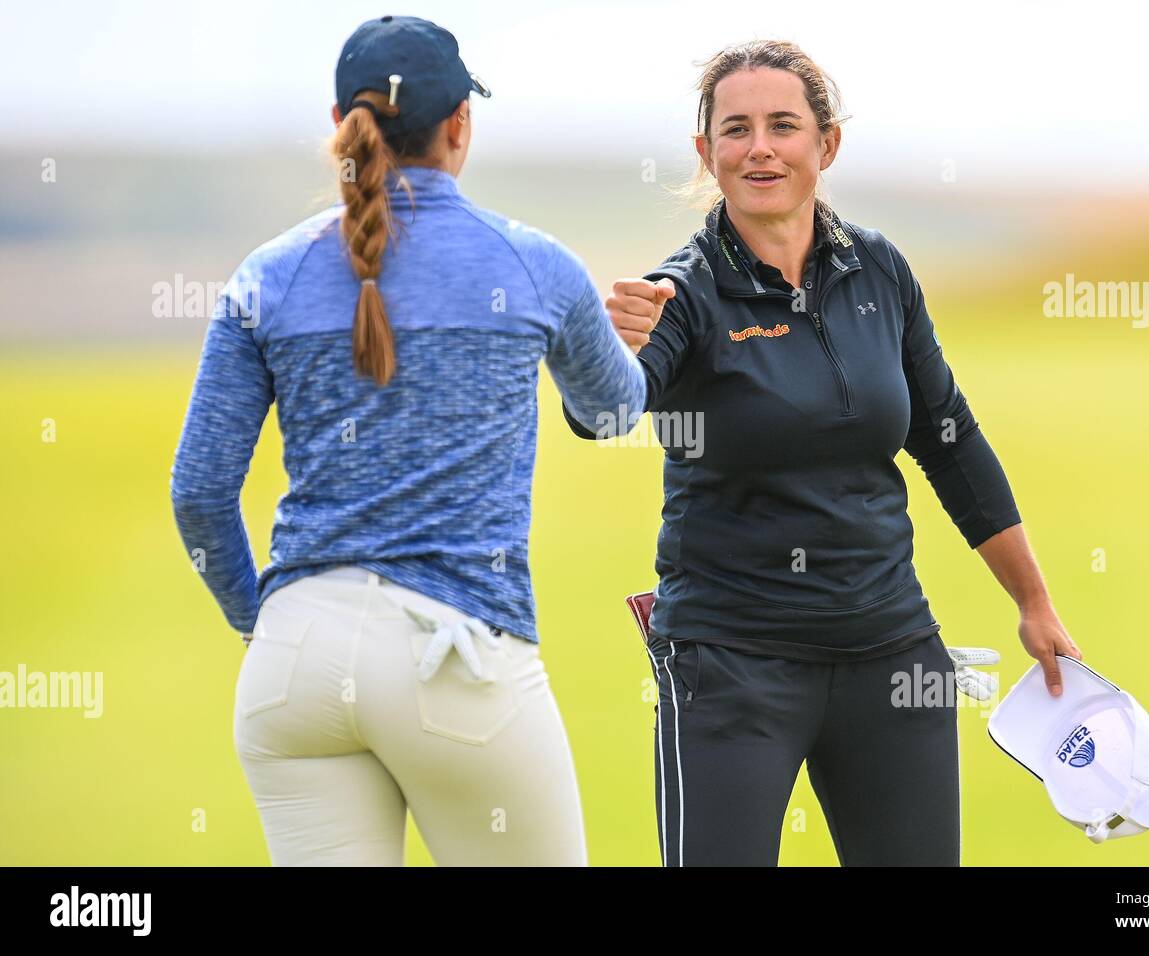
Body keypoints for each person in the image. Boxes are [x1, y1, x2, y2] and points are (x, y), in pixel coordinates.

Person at [563, 39, 1083, 866]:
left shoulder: (879, 271)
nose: (759, 147)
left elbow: (948, 436)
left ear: (825, 144)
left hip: (890, 656)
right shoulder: (681, 294)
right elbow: (603, 416)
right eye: (736, 129)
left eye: (783, 125)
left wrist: (1035, 602)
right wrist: (603, 352)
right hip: (730, 667)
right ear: (707, 154)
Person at [170, 16, 644, 866]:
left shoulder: (265, 275)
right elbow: (614, 414)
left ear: (339, 123)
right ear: (460, 124)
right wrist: (627, 347)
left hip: (294, 668)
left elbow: (199, 493)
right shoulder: (532, 263)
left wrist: (266, 621)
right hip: (456, 659)